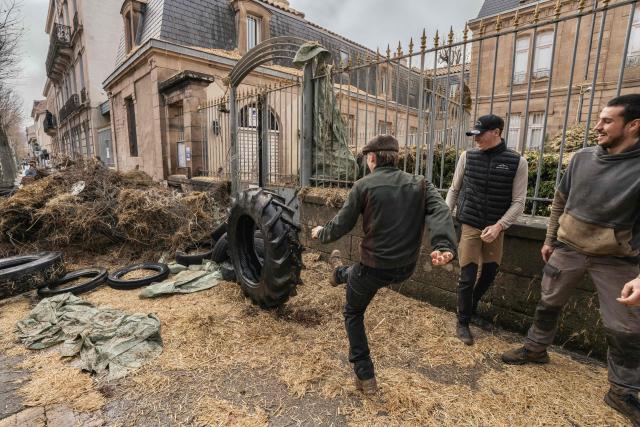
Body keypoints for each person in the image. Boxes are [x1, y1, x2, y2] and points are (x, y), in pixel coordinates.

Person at [501, 95, 640, 426]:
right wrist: (550, 240)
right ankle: (535, 349)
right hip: (568, 248)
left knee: (625, 327)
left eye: (607, 121)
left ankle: (622, 391)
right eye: (599, 119)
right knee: (548, 303)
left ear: (633, 125)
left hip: (617, 260)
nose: (597, 126)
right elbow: (559, 201)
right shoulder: (582, 158)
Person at [310, 134, 457, 395]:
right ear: (396, 158)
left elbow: (341, 224)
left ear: (373, 158)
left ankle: (365, 375)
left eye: (367, 158)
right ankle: (339, 272)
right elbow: (441, 211)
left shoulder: (363, 186)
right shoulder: (421, 184)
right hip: (405, 268)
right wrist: (443, 245)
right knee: (357, 277)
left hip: (374, 267)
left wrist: (321, 233)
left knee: (353, 312)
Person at [446, 114, 528, 345]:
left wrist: (500, 225)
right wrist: (444, 217)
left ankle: (469, 310)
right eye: (474, 134)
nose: (476, 139)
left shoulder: (517, 162)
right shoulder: (467, 157)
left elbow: (519, 202)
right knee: (467, 276)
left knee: (489, 274)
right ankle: (462, 321)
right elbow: (454, 189)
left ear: (497, 133)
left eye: (480, 134)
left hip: (495, 227)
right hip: (470, 223)